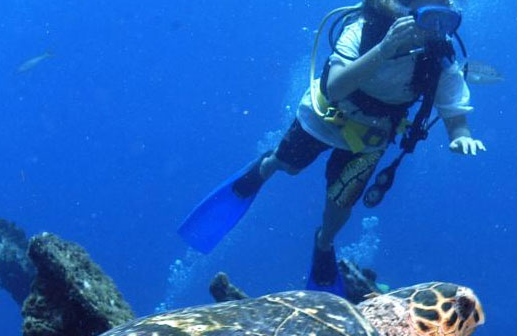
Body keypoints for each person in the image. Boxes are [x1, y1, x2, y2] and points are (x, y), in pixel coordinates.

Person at [178, 0, 485, 296]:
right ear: (403, 11)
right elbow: (335, 86)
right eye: (429, 17)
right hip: (325, 115)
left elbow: (454, 106)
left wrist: (460, 134)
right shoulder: (365, 28)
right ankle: (268, 165)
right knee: (290, 166)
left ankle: (324, 243)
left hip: (372, 136)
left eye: (446, 20)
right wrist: (384, 49)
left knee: (340, 204)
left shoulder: (441, 56)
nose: (436, 29)